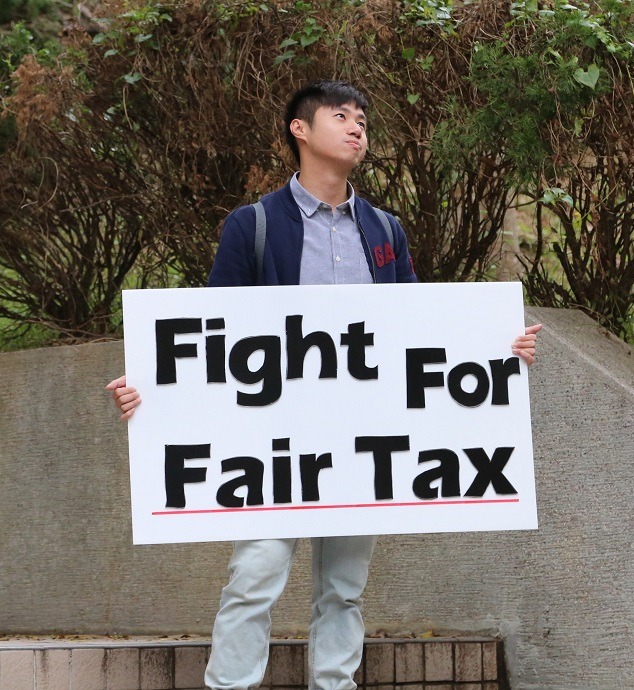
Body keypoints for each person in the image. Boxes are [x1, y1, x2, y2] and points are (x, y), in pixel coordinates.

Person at [106, 80, 542, 690]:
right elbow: (209, 338)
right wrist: (154, 391)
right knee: (254, 576)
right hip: (269, 443)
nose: (357, 128)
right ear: (301, 129)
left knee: (344, 587)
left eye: (362, 119)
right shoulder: (253, 225)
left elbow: (417, 330)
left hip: (361, 441)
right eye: (341, 116)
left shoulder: (385, 231)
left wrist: (496, 353)